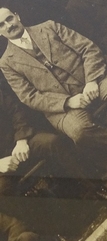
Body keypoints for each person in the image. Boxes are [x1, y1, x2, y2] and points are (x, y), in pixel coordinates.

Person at [0, 7, 107, 172]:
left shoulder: (49, 27)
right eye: (2, 25)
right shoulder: (6, 63)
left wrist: (91, 81)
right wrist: (68, 102)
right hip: (61, 107)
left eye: (9, 19)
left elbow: (88, 48)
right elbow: (29, 97)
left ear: (17, 16)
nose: (9, 25)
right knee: (79, 132)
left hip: (93, 79)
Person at [0, 82, 87, 218]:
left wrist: (21, 140)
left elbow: (15, 111)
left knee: (53, 143)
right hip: (2, 169)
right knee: (2, 190)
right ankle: (51, 229)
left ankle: (93, 191)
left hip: (20, 144)